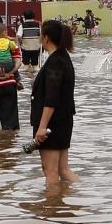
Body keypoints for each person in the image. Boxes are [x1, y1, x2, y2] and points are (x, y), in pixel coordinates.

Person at [30, 19, 78, 188]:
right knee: (62, 169)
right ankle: (77, 198)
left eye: (40, 35)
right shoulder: (63, 57)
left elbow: (51, 98)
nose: (39, 38)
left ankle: (51, 208)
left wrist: (42, 127)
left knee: (50, 170)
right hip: (63, 120)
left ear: (47, 38)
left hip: (52, 123)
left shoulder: (55, 62)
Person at [17, 10, 43, 75]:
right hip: (36, 48)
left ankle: (28, 79)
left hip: (26, 48)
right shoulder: (38, 25)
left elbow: (19, 36)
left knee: (26, 66)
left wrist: (21, 43)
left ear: (24, 17)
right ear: (33, 17)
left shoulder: (22, 25)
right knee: (35, 65)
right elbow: (42, 36)